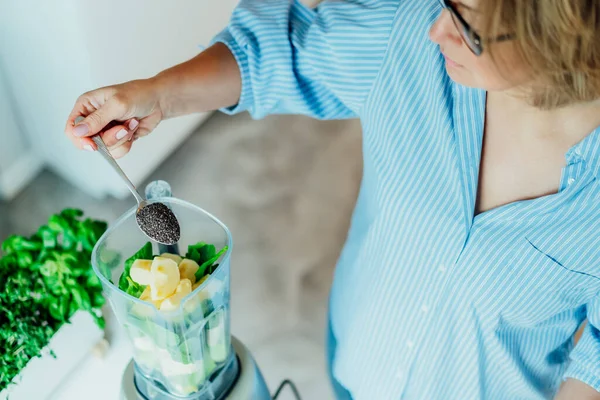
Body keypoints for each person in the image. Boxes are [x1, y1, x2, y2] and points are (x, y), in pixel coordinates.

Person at [65, 0, 600, 398]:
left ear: (558, 43)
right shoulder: (412, 34)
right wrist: (157, 94)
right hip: (355, 360)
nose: (437, 28)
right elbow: (282, 49)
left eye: (468, 27)